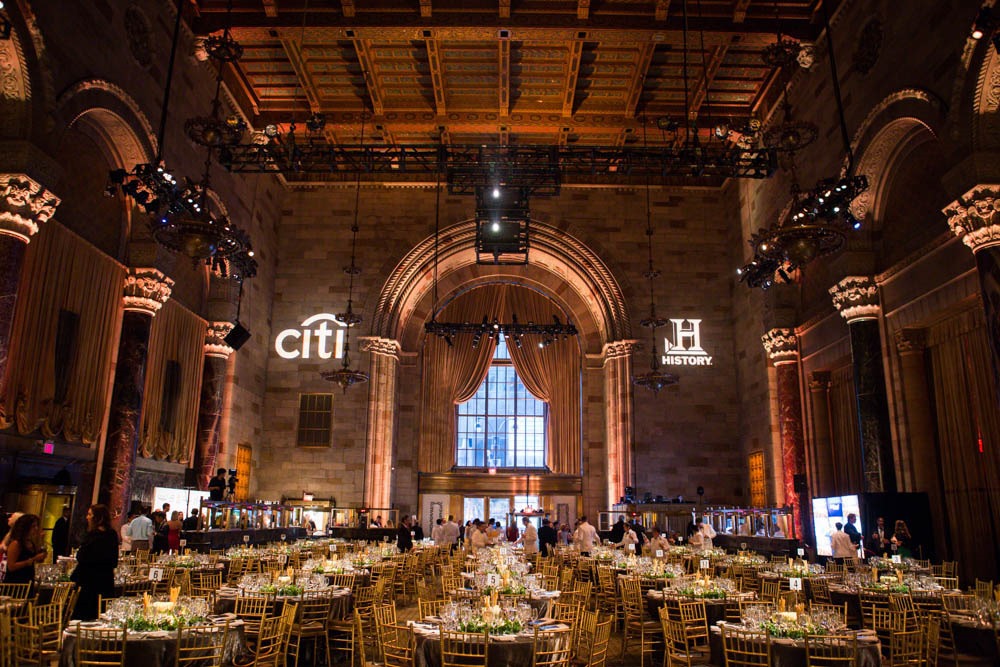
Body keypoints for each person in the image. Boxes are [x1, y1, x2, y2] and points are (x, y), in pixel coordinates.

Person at [71, 504, 118, 620]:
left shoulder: (92, 536)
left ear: (98, 518)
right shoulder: (112, 535)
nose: (87, 517)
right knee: (100, 614)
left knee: (84, 616)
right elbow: (114, 561)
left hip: (89, 583)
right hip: (105, 581)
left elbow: (81, 557)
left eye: (90, 514)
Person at [3, 513, 46, 584]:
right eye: (33, 526)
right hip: (16, 583)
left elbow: (38, 560)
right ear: (26, 527)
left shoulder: (30, 542)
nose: (36, 528)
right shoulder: (16, 543)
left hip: (28, 581)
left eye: (36, 526)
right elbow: (11, 566)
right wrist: (33, 560)